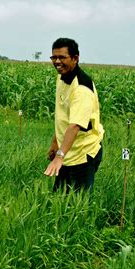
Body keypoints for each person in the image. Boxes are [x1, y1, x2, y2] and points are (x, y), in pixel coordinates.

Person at [44, 38, 104, 192]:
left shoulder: (82, 89)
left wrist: (59, 156)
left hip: (83, 153)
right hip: (67, 150)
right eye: (54, 57)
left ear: (75, 58)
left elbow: (75, 125)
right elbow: (62, 116)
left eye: (62, 57)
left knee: (78, 205)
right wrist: (55, 143)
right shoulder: (61, 77)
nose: (57, 62)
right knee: (59, 199)